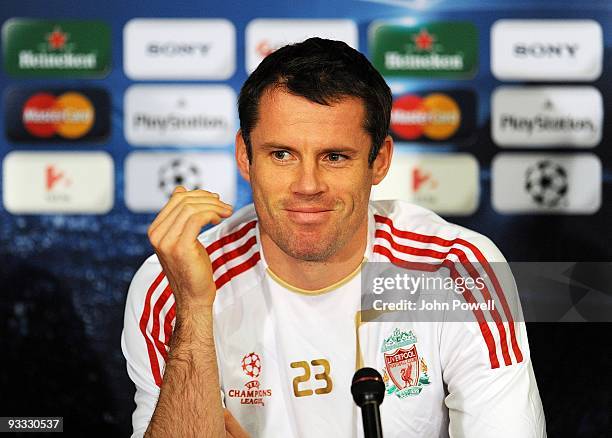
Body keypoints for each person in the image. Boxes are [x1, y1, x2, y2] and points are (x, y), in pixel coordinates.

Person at [121, 37, 546, 437]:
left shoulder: (457, 269)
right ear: (244, 157)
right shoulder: (170, 284)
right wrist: (194, 307)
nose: (308, 185)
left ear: (379, 161)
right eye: (281, 154)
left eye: (335, 156)